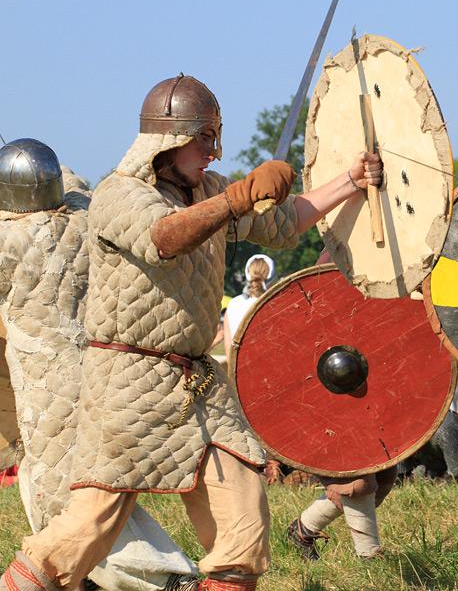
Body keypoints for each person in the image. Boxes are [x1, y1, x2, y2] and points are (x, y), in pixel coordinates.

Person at [0, 74, 383, 591]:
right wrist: (240, 197)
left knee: (243, 514)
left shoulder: (211, 190)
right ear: (168, 139)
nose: (213, 150)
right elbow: (165, 237)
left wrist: (349, 182)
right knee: (90, 524)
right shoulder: (119, 194)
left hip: (198, 383)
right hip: (129, 383)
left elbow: (285, 221)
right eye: (203, 138)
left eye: (215, 137)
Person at [0, 139, 199, 590]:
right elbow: (74, 181)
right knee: (84, 489)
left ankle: (163, 578)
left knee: (65, 500)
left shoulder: (10, 243)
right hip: (104, 370)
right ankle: (88, 580)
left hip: (48, 392)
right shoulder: (82, 218)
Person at [223, 254, 275, 369]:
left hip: (241, 372)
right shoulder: (278, 304)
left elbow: (229, 351)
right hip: (273, 370)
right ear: (272, 277)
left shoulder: (233, 305)